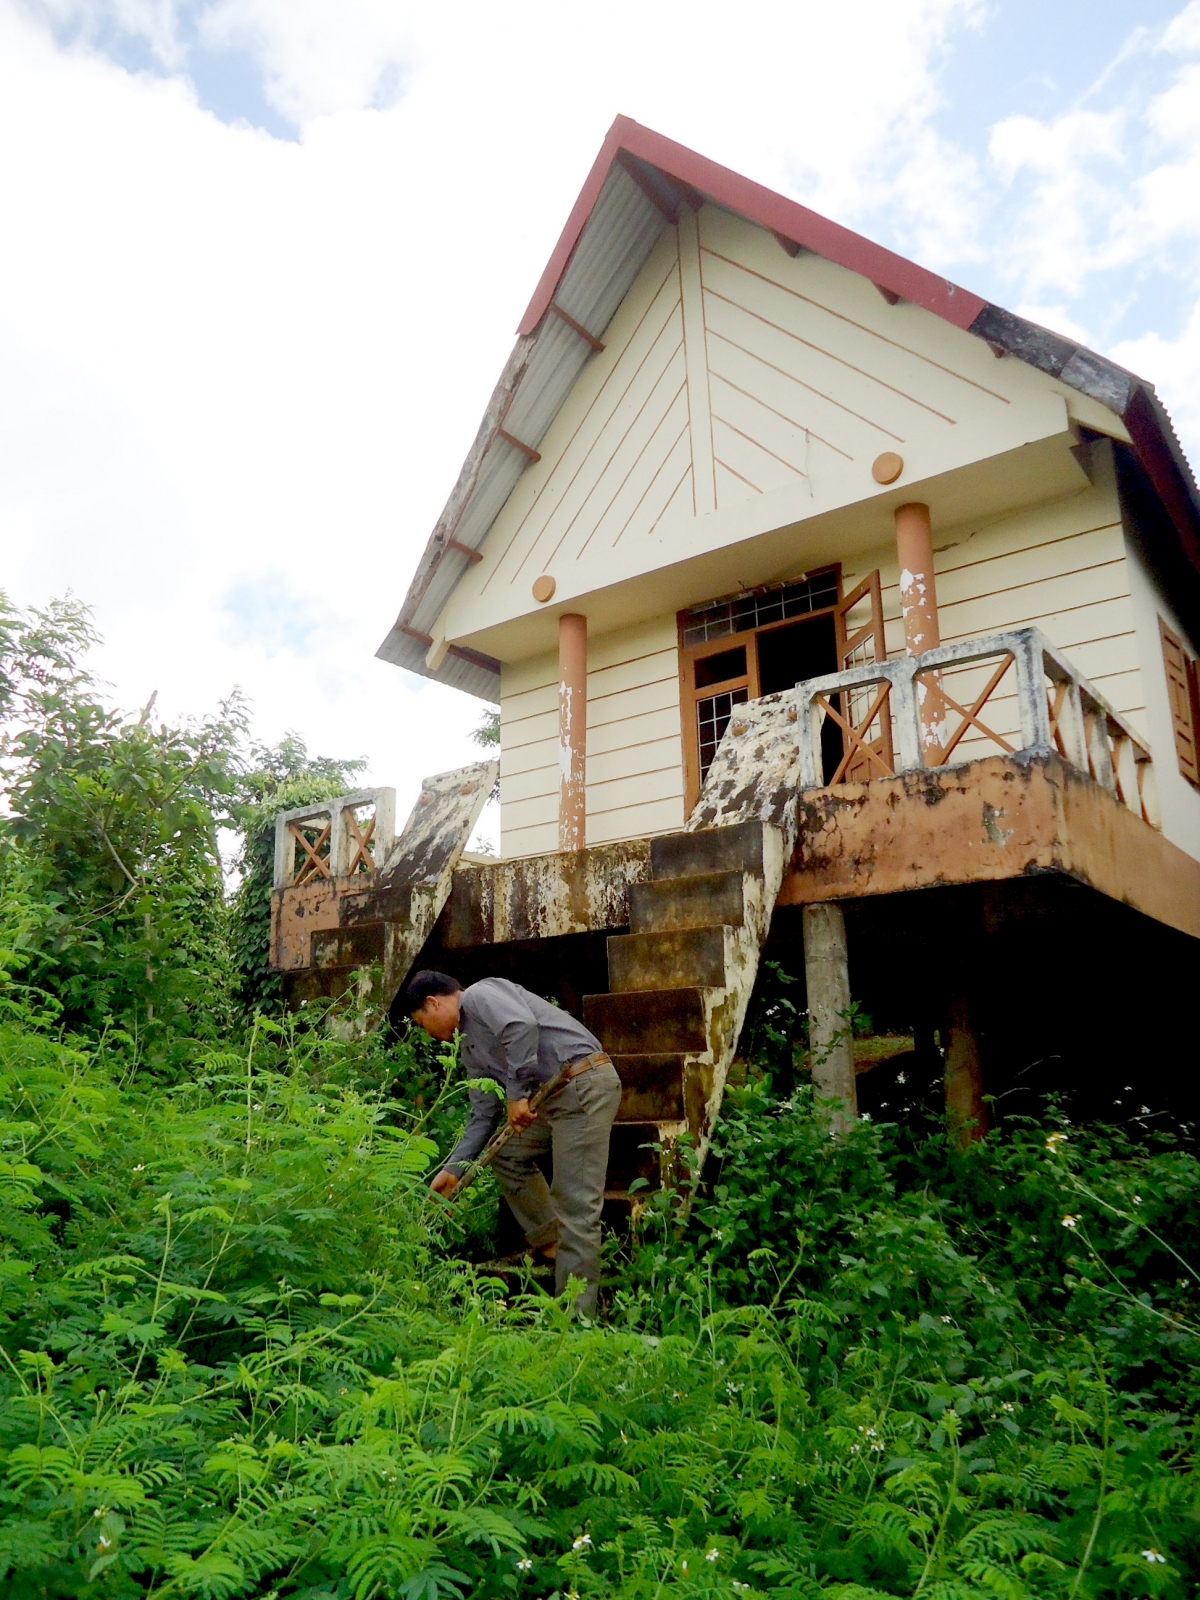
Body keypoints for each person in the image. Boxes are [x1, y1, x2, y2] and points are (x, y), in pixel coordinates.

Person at [403, 970, 622, 1316]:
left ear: (433, 1003)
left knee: (576, 1203)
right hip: (553, 1102)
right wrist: (455, 1169)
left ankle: (576, 1320)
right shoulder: (470, 1047)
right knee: (506, 1154)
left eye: (421, 1023)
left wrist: (516, 1095)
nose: (427, 1035)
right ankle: (553, 1243)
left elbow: (521, 1026)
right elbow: (482, 1114)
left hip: (582, 1085)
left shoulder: (479, 995)